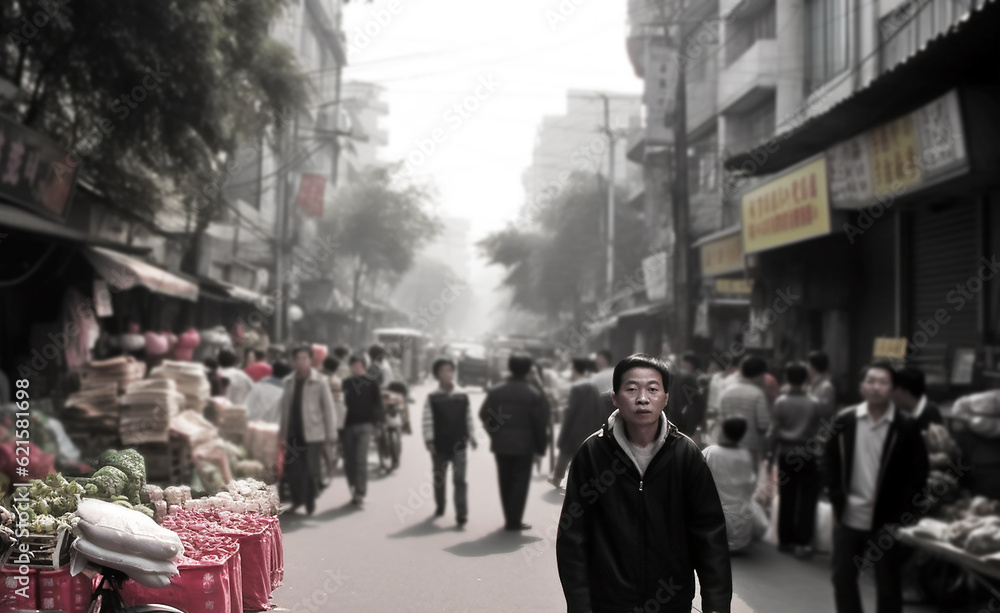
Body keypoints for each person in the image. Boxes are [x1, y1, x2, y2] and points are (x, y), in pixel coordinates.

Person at [556, 354, 732, 613]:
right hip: (607, 603)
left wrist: (716, 606)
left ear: (666, 397)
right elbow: (573, 536)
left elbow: (709, 536)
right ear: (614, 397)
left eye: (652, 389)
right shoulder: (593, 453)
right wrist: (580, 604)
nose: (642, 398)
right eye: (631, 389)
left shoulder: (685, 454)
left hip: (670, 601)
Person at [824, 361, 930, 613]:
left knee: (888, 585)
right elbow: (829, 461)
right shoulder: (844, 420)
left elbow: (919, 473)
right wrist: (835, 494)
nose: (876, 387)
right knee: (842, 579)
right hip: (848, 517)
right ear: (861, 386)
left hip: (886, 520)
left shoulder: (905, 426)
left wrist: (902, 514)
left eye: (883, 382)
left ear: (893, 389)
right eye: (870, 381)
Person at [479, 353, 549, 531]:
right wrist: (541, 447)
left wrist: (495, 433)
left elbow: (483, 414)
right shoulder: (533, 394)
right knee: (520, 482)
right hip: (524, 446)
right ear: (528, 371)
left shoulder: (496, 391)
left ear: (509, 368)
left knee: (505, 480)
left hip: (501, 444)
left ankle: (509, 518)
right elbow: (539, 423)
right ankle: (514, 520)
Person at [769, 361, 823, 556]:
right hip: (808, 454)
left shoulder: (781, 402)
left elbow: (774, 432)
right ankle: (803, 542)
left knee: (788, 497)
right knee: (808, 499)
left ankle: (786, 540)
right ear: (806, 379)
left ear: (787, 377)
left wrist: (770, 455)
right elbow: (819, 430)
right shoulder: (814, 402)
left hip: (786, 453)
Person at [277, 346, 338, 515]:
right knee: (294, 471)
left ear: (310, 360)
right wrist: (281, 433)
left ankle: (310, 502)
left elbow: (328, 408)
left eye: (305, 358)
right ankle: (297, 501)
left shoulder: (320, 381)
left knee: (311, 470)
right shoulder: (288, 381)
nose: (301, 362)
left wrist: (331, 432)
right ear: (294, 361)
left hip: (313, 433)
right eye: (298, 358)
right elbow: (283, 409)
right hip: (293, 433)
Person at [423, 358, 477, 526]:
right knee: (439, 479)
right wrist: (429, 440)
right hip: (439, 445)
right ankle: (440, 505)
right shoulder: (432, 397)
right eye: (442, 371)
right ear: (437, 375)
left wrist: (473, 436)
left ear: (453, 372)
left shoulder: (462, 395)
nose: (446, 374)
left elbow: (468, 418)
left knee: (460, 480)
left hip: (459, 444)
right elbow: (427, 420)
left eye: (449, 370)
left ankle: (461, 513)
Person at [703, 416, 767, 552]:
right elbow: (750, 488)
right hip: (741, 538)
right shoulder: (745, 455)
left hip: (713, 531)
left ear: (723, 431)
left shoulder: (711, 452)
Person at [549, 357, 603, 489]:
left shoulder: (577, 388)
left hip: (575, 429)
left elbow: (571, 413)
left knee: (566, 452)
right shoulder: (593, 386)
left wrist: (564, 433)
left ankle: (557, 478)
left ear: (575, 370)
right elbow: (600, 409)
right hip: (590, 428)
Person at [342, 355, 384, 506]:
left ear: (364, 366)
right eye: (353, 365)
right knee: (349, 461)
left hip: (366, 426)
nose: (355, 368)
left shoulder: (372, 383)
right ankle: (353, 488)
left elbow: (378, 404)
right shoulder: (345, 384)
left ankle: (360, 491)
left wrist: (378, 424)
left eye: (358, 365)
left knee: (360, 459)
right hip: (347, 426)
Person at [718, 356, 771, 467]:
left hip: (727, 446)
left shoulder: (727, 391)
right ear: (758, 375)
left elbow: (721, 420)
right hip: (750, 449)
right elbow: (763, 425)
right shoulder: (757, 393)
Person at [667, 352, 708, 440]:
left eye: (684, 363)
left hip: (682, 420)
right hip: (685, 421)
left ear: (690, 365)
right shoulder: (693, 378)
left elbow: (692, 402)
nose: (682, 365)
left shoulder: (686, 377)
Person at [892, 367, 943, 432]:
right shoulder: (907, 413)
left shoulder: (930, 421)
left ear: (906, 392)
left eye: (893, 389)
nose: (890, 394)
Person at [807, 350, 838, 423]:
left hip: (820, 430)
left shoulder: (827, 386)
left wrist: (805, 395)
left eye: (808, 363)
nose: (806, 366)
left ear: (814, 367)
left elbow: (825, 410)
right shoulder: (811, 384)